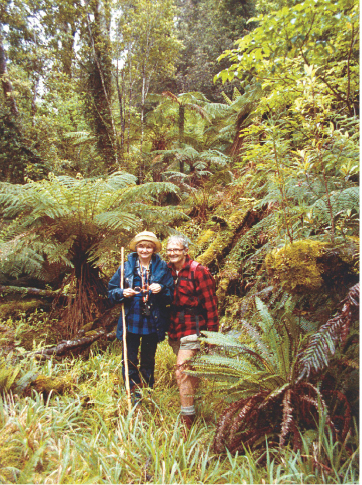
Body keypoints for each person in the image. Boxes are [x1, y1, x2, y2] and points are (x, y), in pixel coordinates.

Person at [108, 231, 174, 402]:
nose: (144, 250)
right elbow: (111, 292)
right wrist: (122, 292)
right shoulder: (126, 267)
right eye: (141, 246)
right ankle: (132, 393)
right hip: (131, 318)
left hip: (153, 318)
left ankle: (147, 391)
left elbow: (171, 295)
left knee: (148, 358)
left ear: (154, 249)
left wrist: (161, 289)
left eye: (148, 247)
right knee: (129, 358)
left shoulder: (162, 268)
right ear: (136, 248)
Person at [167, 234, 219, 430]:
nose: (172, 253)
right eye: (170, 250)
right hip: (174, 327)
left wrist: (212, 336)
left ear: (185, 251)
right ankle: (194, 405)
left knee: (181, 370)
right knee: (189, 371)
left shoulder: (199, 271)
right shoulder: (166, 270)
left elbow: (211, 305)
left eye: (176, 249)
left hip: (194, 326)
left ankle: (187, 419)